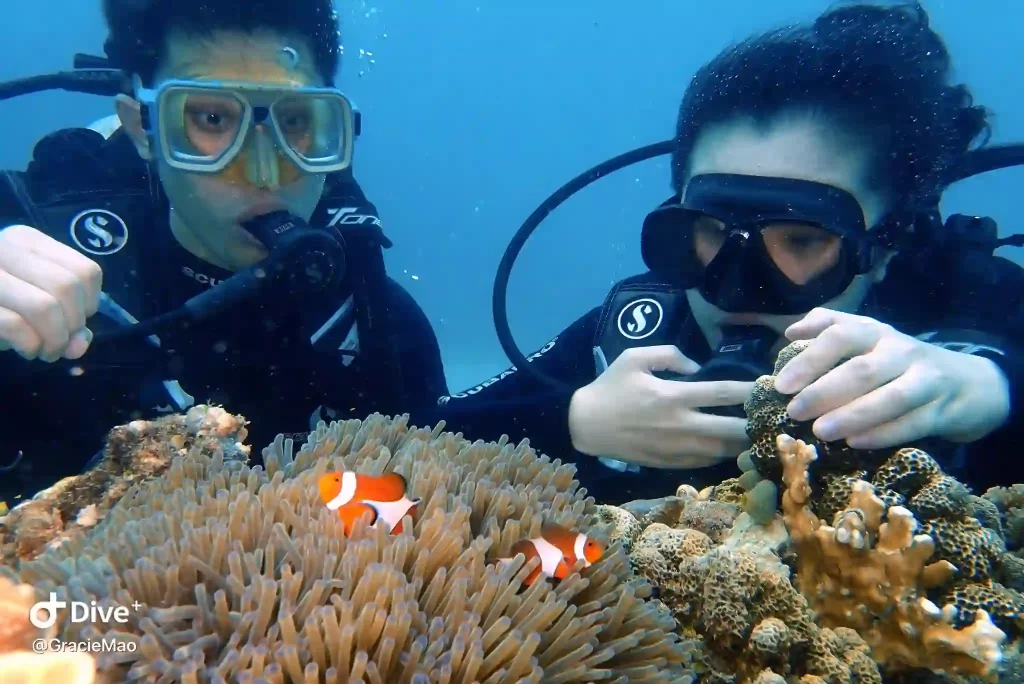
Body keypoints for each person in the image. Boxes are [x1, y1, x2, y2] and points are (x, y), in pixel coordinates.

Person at [425, 1, 1024, 504]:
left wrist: (994, 392)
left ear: (887, 244)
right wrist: (572, 421)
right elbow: (424, 437)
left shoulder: (970, 306)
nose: (735, 289)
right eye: (712, 229)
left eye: (803, 238)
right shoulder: (644, 332)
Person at [0, 0, 448, 501]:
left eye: (296, 120)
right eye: (212, 118)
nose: (263, 171)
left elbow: (441, 474)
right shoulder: (36, 262)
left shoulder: (376, 322)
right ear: (141, 127)